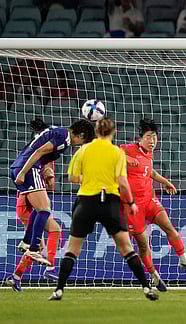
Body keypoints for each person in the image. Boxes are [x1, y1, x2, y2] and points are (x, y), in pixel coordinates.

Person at [49, 118, 158, 301]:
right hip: (110, 202)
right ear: (113, 132)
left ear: (97, 131)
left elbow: (72, 177)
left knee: (72, 249)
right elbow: (123, 182)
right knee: (126, 248)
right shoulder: (117, 152)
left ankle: (58, 290)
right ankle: (147, 288)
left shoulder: (83, 150)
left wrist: (90, 178)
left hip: (86, 202)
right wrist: (131, 203)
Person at [120, 119, 186, 292]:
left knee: (169, 227)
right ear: (140, 138)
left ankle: (183, 259)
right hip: (133, 206)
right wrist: (124, 157)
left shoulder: (148, 154)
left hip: (150, 200)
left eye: (155, 137)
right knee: (143, 245)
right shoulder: (127, 149)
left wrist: (165, 182)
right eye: (149, 137)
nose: (152, 141)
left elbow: (150, 171)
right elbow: (109, 152)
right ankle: (154, 276)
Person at [9, 119, 95, 274]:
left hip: (24, 167)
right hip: (27, 169)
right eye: (84, 141)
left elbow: (42, 151)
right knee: (44, 209)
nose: (81, 145)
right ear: (81, 135)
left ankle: (27, 242)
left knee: (41, 207)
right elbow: (39, 151)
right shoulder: (63, 136)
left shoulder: (59, 133)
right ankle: (33, 248)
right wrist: (23, 172)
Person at [6, 119, 64, 292]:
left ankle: (16, 277)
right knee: (43, 240)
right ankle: (49, 267)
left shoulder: (31, 149)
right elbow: (51, 184)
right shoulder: (45, 155)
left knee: (50, 235)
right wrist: (49, 177)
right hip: (29, 206)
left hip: (25, 204)